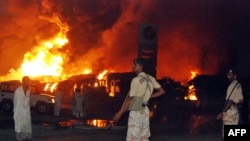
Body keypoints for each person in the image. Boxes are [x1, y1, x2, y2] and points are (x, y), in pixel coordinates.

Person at [113, 58, 165, 141]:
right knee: (143, 137)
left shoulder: (135, 80)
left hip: (136, 110)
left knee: (133, 137)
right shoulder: (150, 78)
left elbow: (130, 99)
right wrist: (147, 97)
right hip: (145, 110)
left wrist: (119, 113)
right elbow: (161, 91)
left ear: (140, 66)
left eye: (134, 65)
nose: (132, 66)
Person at [216, 69, 244, 138]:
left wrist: (222, 113)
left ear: (235, 76)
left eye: (230, 75)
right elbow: (241, 100)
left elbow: (229, 101)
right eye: (228, 74)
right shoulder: (238, 85)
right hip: (235, 111)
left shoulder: (231, 86)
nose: (228, 76)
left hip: (230, 111)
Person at [13, 76, 32, 141]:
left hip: (26, 112)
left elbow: (27, 103)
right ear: (23, 82)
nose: (28, 82)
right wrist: (16, 114)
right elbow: (17, 103)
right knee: (20, 127)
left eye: (28, 81)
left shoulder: (28, 90)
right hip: (19, 112)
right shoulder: (18, 91)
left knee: (26, 125)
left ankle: (25, 136)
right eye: (26, 81)